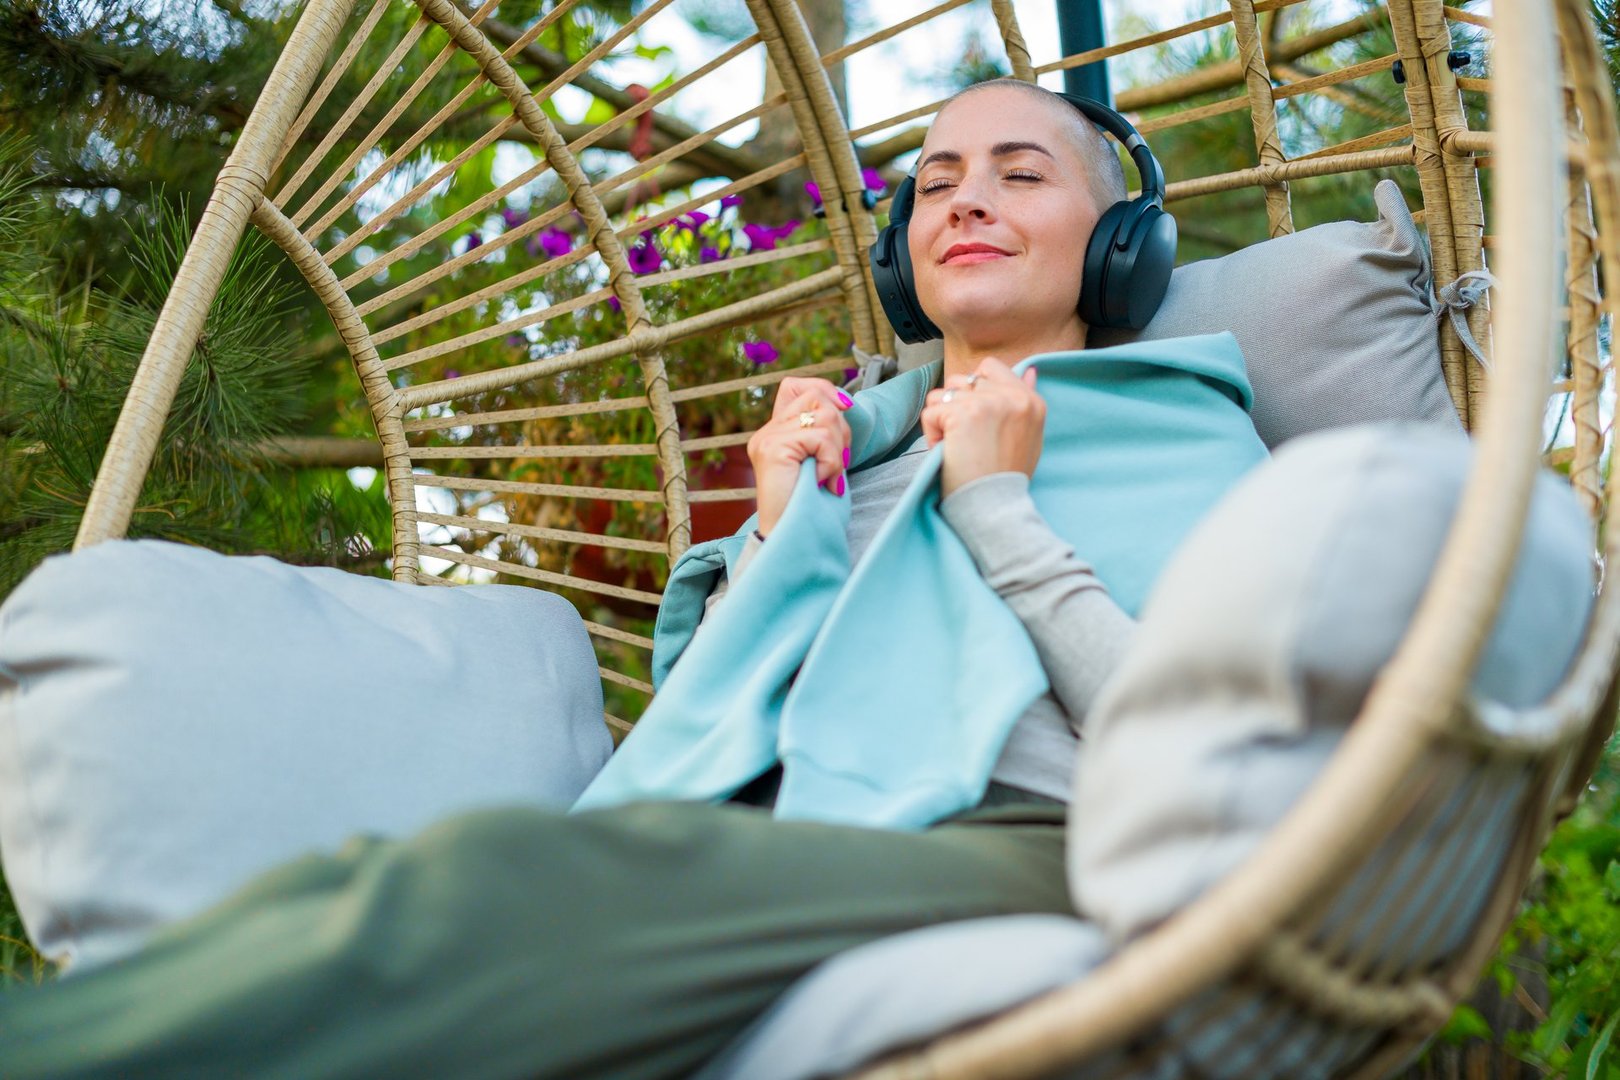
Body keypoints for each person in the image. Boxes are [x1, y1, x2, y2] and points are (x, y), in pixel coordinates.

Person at [0, 79, 1142, 1078]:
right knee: (366, 889)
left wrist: (997, 505)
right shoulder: (858, 438)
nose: (964, 200)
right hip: (783, 821)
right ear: (901, 255)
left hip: (1012, 832)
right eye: (935, 182)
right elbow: (710, 709)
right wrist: (776, 535)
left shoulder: (1171, 433)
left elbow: (1181, 725)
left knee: (492, 881)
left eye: (1020, 172)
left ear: (1119, 245)